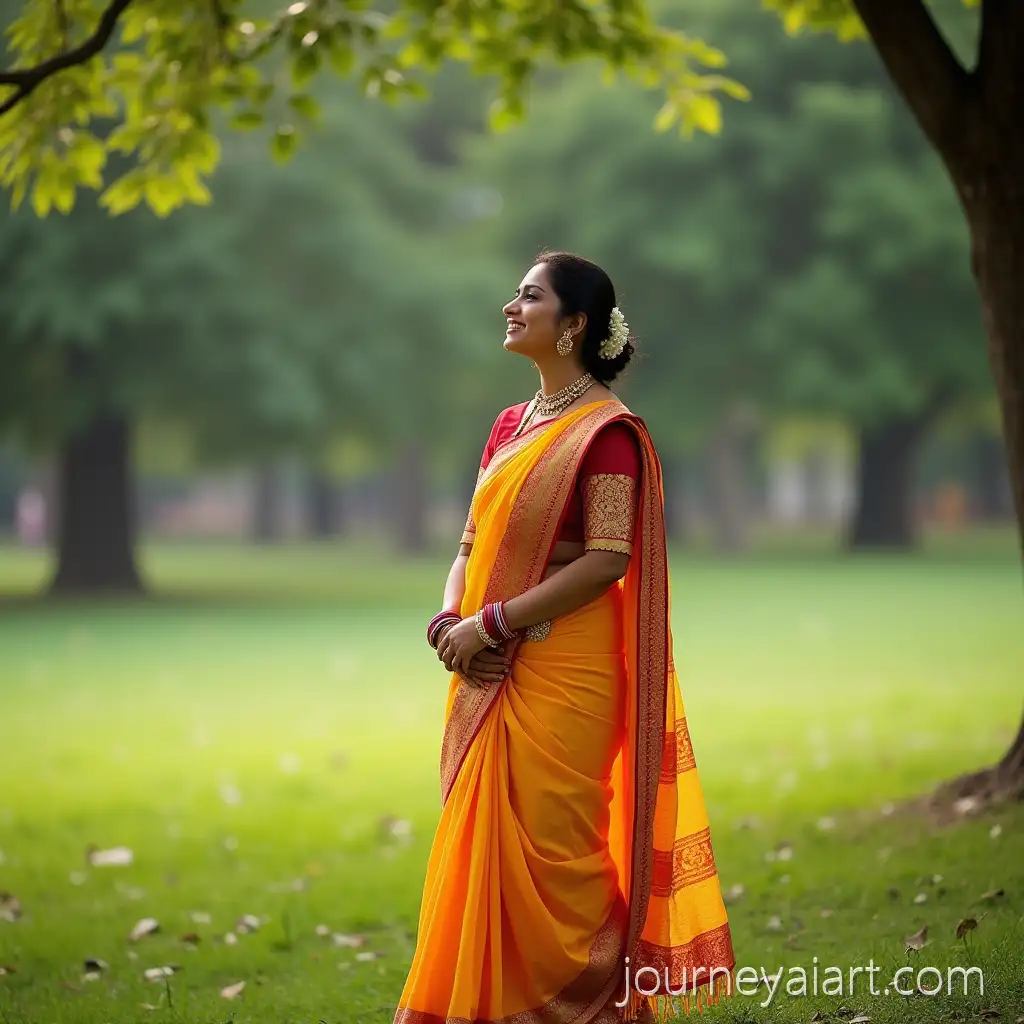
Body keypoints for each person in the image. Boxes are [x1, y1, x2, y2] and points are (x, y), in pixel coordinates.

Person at [394, 251, 734, 1023]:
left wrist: (494, 620)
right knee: (483, 845)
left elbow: (609, 559)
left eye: (530, 297)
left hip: (565, 670)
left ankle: (589, 1002)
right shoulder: (510, 426)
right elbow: (470, 544)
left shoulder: (607, 435)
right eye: (514, 294)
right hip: (483, 660)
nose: (511, 307)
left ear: (573, 325)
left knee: (557, 851)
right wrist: (453, 618)